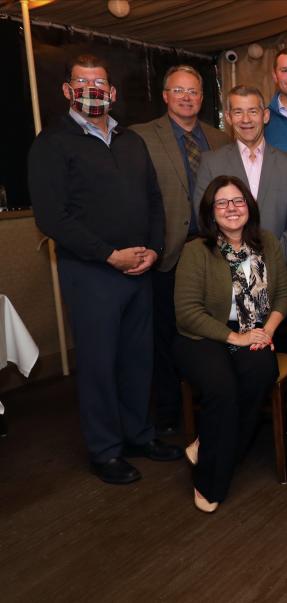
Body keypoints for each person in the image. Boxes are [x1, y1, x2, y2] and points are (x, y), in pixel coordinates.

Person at [29, 54, 182, 484]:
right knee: (98, 363)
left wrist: (152, 249)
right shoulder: (52, 143)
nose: (91, 91)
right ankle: (104, 449)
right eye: (82, 83)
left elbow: (154, 200)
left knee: (138, 359)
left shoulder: (131, 141)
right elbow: (52, 218)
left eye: (99, 83)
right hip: (93, 273)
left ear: (112, 92)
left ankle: (138, 434)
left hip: (141, 269)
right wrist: (109, 254)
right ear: (66, 90)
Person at [173, 175, 287, 513]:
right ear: (211, 212)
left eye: (237, 200)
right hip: (201, 336)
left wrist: (267, 330)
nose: (231, 208)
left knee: (259, 372)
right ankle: (210, 482)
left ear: (249, 206)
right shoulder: (197, 251)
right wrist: (237, 337)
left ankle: (208, 444)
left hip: (255, 329)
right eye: (221, 203)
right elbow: (187, 312)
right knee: (222, 387)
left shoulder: (267, 242)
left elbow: (284, 293)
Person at [131, 65, 231, 433]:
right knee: (167, 334)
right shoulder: (141, 136)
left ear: (203, 98)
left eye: (194, 91)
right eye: (179, 91)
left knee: (213, 326)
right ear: (165, 95)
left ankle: (211, 403)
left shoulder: (220, 139)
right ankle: (170, 413)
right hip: (167, 251)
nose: (187, 97)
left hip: (214, 251)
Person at [193, 85, 287, 265]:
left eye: (253, 111)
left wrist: (274, 257)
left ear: (265, 116)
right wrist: (231, 258)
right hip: (224, 268)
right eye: (238, 112)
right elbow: (203, 216)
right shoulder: (210, 162)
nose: (246, 119)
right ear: (228, 118)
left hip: (276, 266)